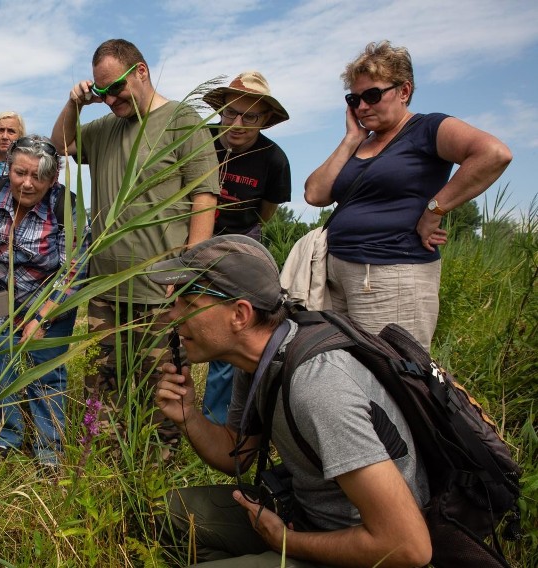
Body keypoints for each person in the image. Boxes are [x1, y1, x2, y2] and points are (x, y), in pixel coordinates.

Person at [151, 235, 432, 567]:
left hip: (366, 549)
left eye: (189, 304)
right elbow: (235, 455)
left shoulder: (319, 387)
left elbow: (408, 547)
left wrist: (287, 542)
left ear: (239, 314)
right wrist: (189, 416)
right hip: (304, 515)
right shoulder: (257, 363)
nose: (173, 316)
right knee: (166, 515)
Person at [50, 38, 220, 457]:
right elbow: (61, 145)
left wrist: (188, 271)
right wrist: (75, 104)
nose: (110, 99)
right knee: (101, 392)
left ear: (140, 71)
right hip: (106, 290)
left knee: (162, 393)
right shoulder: (107, 126)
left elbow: (205, 196)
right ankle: (107, 470)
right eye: (102, 90)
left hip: (159, 291)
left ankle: (158, 478)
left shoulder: (183, 120)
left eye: (117, 87)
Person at [305, 40, 511, 350]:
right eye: (354, 99)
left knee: (393, 377)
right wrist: (351, 139)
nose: (362, 106)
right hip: (338, 274)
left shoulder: (426, 129)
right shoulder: (360, 143)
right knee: (343, 374)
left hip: (390, 272)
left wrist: (434, 210)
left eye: (372, 95)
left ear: (404, 91)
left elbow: (493, 154)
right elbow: (314, 194)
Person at [0, 135, 88, 467]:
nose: (27, 183)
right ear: (9, 168)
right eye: (20, 173)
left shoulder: (67, 206)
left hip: (50, 300)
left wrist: (41, 319)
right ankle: (4, 439)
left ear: (53, 178)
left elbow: (73, 269)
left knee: (45, 374)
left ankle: (49, 453)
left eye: (38, 177)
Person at [199, 71, 291, 424]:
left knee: (228, 333)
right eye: (230, 113)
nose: (237, 123)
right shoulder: (203, 141)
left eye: (250, 116)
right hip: (192, 243)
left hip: (239, 246)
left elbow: (265, 214)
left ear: (265, 119)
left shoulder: (273, 159)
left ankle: (218, 423)